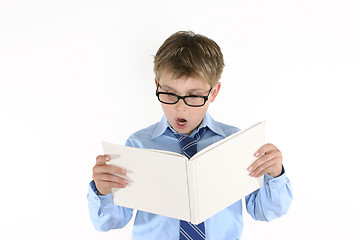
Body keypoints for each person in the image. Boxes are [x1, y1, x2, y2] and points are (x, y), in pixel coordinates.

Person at [87, 31, 293, 239]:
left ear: (213, 93)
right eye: (169, 93)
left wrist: (275, 175)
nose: (180, 107)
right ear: (157, 86)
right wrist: (103, 191)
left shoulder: (235, 143)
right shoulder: (138, 144)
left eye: (194, 96)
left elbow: (265, 211)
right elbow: (111, 221)